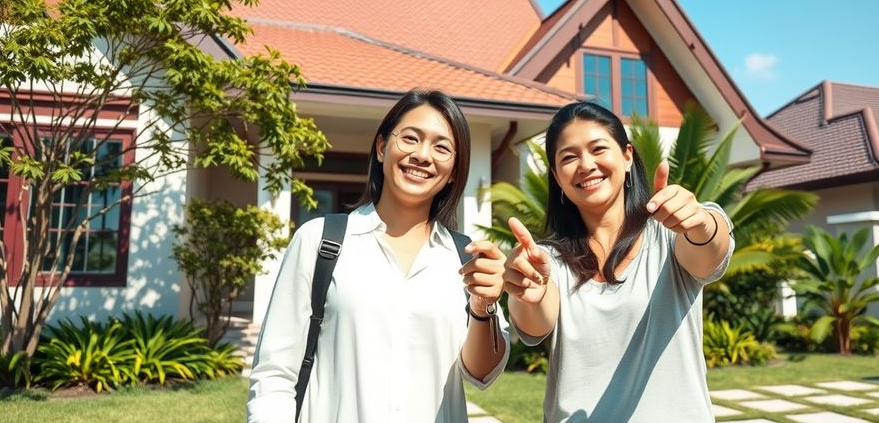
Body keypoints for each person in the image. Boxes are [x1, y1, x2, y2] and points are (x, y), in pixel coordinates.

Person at [248, 89, 510, 423]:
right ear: (382, 147)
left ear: (455, 171)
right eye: (411, 138)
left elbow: (481, 373)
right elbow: (274, 372)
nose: (423, 155)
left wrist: (482, 307)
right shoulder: (320, 241)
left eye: (442, 147)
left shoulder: (465, 259)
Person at [504, 101, 734, 422]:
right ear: (556, 177)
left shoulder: (670, 234)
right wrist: (528, 292)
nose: (585, 164)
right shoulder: (547, 260)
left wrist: (700, 222)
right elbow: (534, 322)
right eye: (569, 157)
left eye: (598, 149)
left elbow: (709, 253)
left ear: (627, 157)